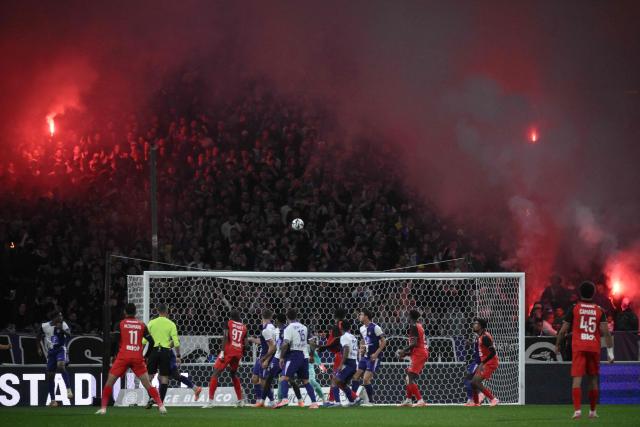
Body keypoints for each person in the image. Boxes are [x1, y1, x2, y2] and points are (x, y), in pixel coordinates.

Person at [555, 281, 614, 419]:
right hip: (594, 347)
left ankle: (577, 411)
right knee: (593, 379)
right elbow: (606, 332)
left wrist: (557, 344)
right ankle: (592, 412)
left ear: (580, 293)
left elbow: (563, 330)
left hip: (579, 347)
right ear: (593, 293)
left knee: (577, 378)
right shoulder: (599, 310)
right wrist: (610, 354)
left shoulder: (575, 308)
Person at [96, 303, 165, 415]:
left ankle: (103, 409)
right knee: (148, 384)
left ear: (125, 312)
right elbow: (152, 342)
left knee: (110, 382)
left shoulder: (121, 324)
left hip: (123, 356)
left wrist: (112, 349)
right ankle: (161, 406)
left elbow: (116, 339)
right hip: (137, 357)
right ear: (135, 312)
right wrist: (145, 356)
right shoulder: (141, 325)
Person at [274, 308, 319, 409]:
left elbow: (285, 343)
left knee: (284, 377)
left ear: (287, 317)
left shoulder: (288, 328)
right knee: (306, 381)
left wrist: (281, 357)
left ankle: (285, 399)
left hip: (294, 355)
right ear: (296, 316)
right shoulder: (304, 327)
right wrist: (312, 355)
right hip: (304, 356)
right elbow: (312, 343)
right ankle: (314, 403)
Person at [203, 309, 247, 408]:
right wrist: (242, 355)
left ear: (230, 316)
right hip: (238, 353)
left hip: (228, 352)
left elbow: (225, 336)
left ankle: (210, 402)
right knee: (233, 374)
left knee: (215, 373)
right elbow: (246, 344)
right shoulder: (244, 327)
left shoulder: (228, 323)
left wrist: (222, 352)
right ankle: (240, 400)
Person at [350, 308, 386, 405]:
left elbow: (384, 341)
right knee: (355, 377)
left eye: (361, 314)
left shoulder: (375, 327)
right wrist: (361, 348)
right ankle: (353, 399)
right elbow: (363, 340)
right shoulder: (361, 328)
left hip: (373, 358)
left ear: (366, 316)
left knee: (366, 379)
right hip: (365, 357)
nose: (359, 316)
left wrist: (376, 353)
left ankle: (371, 401)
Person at [146, 303, 180, 402]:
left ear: (157, 311)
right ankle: (160, 401)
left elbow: (144, 341)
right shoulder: (171, 324)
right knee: (164, 377)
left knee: (149, 377)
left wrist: (142, 354)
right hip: (165, 351)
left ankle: (152, 396)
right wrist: (178, 355)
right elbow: (176, 342)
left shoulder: (151, 323)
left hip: (154, 350)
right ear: (167, 311)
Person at [38, 312, 73, 406]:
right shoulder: (45, 326)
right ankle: (53, 400)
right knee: (50, 375)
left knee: (61, 366)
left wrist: (62, 330)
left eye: (62, 315)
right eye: (59, 315)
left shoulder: (63, 324)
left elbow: (69, 335)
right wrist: (38, 347)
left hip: (61, 349)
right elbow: (38, 335)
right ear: (54, 317)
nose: (61, 317)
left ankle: (68, 390)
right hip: (51, 352)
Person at [398, 309, 428, 407]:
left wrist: (403, 350)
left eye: (408, 315)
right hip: (419, 353)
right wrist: (406, 354)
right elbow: (417, 344)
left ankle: (420, 400)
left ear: (410, 317)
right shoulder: (419, 326)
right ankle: (408, 400)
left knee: (410, 377)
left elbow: (414, 343)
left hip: (419, 354)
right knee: (408, 375)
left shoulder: (414, 326)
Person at [315, 307, 346, 404]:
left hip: (340, 354)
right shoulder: (342, 325)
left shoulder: (338, 325)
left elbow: (338, 339)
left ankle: (333, 400)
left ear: (335, 316)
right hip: (341, 353)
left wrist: (325, 346)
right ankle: (352, 397)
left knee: (334, 378)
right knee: (336, 378)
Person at [329, 319, 360, 406]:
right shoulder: (353, 337)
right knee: (341, 383)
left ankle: (338, 402)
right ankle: (353, 400)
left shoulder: (344, 337)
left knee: (334, 379)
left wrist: (341, 364)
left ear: (341, 327)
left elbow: (346, 349)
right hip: (353, 363)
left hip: (348, 363)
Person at [469, 317, 499, 407]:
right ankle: (476, 402)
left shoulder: (485, 337)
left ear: (481, 326)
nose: (474, 325)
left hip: (490, 362)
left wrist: (483, 362)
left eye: (476, 324)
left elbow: (493, 352)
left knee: (476, 381)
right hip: (485, 362)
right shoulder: (481, 336)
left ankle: (493, 399)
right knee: (472, 382)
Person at [250, 309, 277, 407]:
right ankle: (259, 401)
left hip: (266, 357)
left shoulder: (268, 329)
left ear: (261, 317)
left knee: (263, 381)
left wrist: (267, 359)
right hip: (261, 356)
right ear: (271, 316)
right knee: (254, 378)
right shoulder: (267, 328)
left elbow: (273, 347)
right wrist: (252, 339)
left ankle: (272, 401)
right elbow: (265, 342)